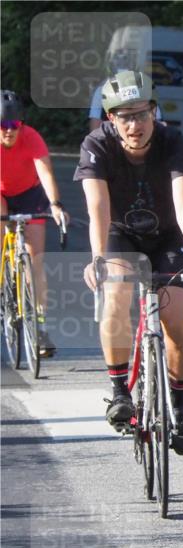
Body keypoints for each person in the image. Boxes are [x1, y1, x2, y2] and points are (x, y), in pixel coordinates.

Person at [78, 71, 183, 455]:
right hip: (120, 234)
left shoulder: (174, 143)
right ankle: (119, 391)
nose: (134, 125)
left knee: (175, 320)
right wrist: (98, 258)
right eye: (125, 116)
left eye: (142, 114)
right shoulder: (96, 145)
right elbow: (97, 210)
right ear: (111, 118)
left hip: (168, 236)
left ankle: (178, 401)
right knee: (117, 295)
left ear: (154, 112)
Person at [0, 90, 69, 357]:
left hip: (30, 193)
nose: (9, 131)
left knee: (35, 260)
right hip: (1, 194)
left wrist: (56, 204)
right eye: (3, 125)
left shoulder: (31, 138)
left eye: (14, 124)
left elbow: (45, 172)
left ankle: (40, 327)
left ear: (22, 124)